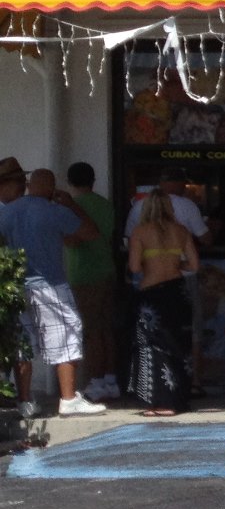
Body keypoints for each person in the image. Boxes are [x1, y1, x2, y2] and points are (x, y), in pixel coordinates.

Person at [0, 159, 107, 416]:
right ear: (50, 187)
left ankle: (24, 400)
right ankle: (68, 398)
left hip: (16, 285)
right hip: (50, 283)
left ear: (29, 185)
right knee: (66, 334)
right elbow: (90, 233)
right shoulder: (53, 210)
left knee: (22, 343)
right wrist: (70, 205)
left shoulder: (7, 212)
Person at [126, 189, 200, 416]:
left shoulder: (140, 232)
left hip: (152, 293)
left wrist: (151, 263)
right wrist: (176, 265)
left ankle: (157, 401)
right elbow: (194, 265)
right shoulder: (181, 231)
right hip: (176, 292)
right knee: (178, 344)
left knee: (152, 346)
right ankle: (177, 400)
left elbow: (134, 267)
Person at [63, 162, 121, 402]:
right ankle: (111, 380)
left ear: (69, 181)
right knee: (106, 329)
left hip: (84, 272)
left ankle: (96, 381)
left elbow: (72, 240)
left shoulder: (72, 206)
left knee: (91, 331)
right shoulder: (105, 204)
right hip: (107, 268)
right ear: (93, 180)